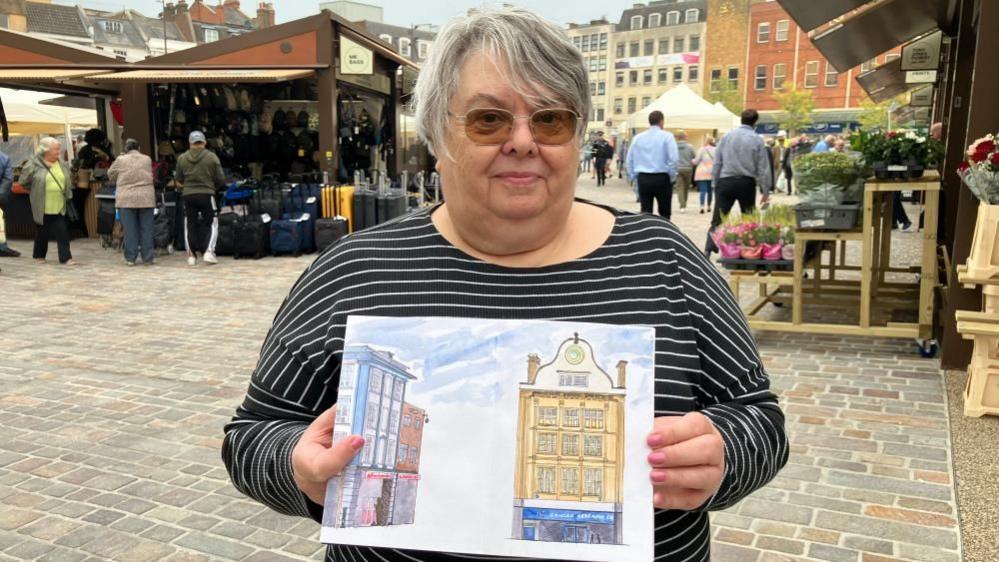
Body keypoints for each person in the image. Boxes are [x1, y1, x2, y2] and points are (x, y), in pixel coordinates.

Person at [222, 8, 787, 562]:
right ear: (439, 137)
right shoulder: (356, 268)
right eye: (489, 119)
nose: (522, 140)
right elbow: (251, 434)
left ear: (576, 139)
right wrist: (295, 464)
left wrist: (723, 456)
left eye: (550, 120)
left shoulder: (663, 260)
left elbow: (760, 419)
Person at [706, 109, 772, 255]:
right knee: (749, 220)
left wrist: (714, 183)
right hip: (746, 183)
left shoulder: (726, 137)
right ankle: (749, 252)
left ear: (741, 120)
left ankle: (708, 249)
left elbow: (717, 162)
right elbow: (763, 168)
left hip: (726, 181)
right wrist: (765, 190)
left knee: (718, 218)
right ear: (755, 122)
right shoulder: (757, 140)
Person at [20, 137, 77, 265]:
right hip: (42, 205)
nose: (59, 151)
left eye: (59, 149)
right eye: (56, 149)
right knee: (42, 232)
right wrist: (36, 191)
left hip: (60, 204)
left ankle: (66, 257)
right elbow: (23, 182)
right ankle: (39, 256)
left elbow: (67, 180)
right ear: (46, 150)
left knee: (62, 231)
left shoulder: (61, 164)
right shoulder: (34, 164)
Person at [175, 130, 225, 266]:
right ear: (204, 142)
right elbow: (221, 178)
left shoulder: (182, 158)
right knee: (211, 223)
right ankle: (208, 251)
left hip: (188, 195)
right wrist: (214, 187)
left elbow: (178, 179)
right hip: (207, 194)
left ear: (190, 143)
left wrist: (184, 188)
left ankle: (191, 255)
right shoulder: (212, 157)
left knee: (189, 224)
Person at [108, 139, 156, 266]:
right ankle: (148, 257)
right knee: (146, 229)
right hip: (146, 198)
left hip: (127, 199)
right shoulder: (147, 159)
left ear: (125, 149)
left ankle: (130, 258)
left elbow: (110, 174)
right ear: (139, 148)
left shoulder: (121, 159)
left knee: (130, 230)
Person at [626, 110, 679, 219]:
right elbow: (673, 159)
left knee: (645, 212)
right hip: (662, 177)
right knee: (664, 212)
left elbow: (629, 159)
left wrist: (633, 176)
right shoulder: (667, 136)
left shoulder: (638, 138)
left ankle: (647, 234)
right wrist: (672, 176)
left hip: (643, 178)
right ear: (661, 121)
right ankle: (663, 233)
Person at [0, 147, 20, 257]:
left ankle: (2, 247)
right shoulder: (4, 158)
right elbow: (8, 180)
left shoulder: (4, 158)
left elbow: (8, 180)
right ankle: (2, 247)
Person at [674, 130, 697, 213]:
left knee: (680, 188)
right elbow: (694, 157)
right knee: (686, 187)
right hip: (688, 169)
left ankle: (682, 205)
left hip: (678, 169)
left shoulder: (674, 146)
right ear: (684, 137)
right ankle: (684, 203)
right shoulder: (690, 147)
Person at [693, 136, 716, 214]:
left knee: (703, 191)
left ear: (706, 141)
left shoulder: (702, 149)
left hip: (702, 172)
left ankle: (702, 207)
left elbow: (696, 161)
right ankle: (709, 207)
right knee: (710, 191)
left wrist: (692, 161)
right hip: (712, 172)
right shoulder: (716, 150)